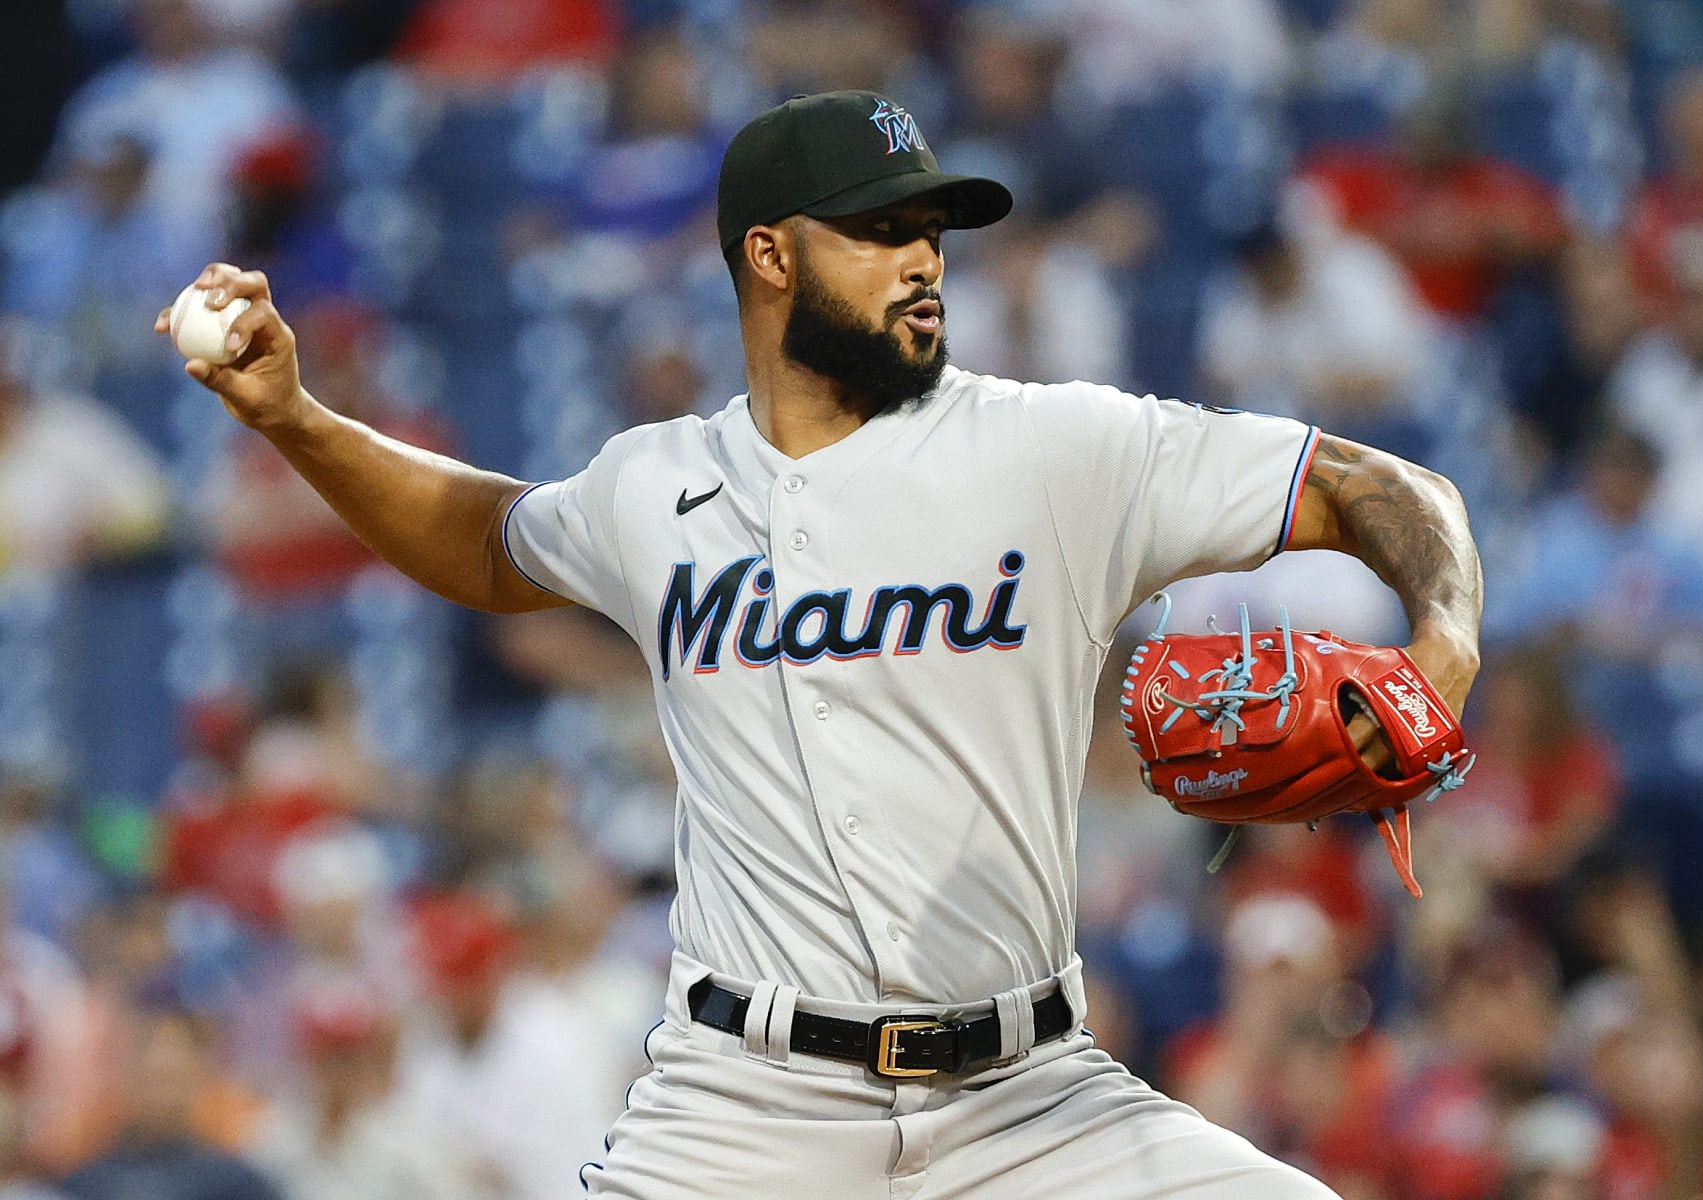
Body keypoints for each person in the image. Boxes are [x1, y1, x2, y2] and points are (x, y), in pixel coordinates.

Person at [156, 89, 1483, 1199]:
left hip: (1028, 1094)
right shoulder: (652, 486)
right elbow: (491, 543)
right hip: (743, 1107)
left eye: (934, 232)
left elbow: (1385, 492)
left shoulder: (1064, 446)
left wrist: (1443, 652)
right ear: (770, 255)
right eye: (881, 230)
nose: (923, 260)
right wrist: (297, 421)